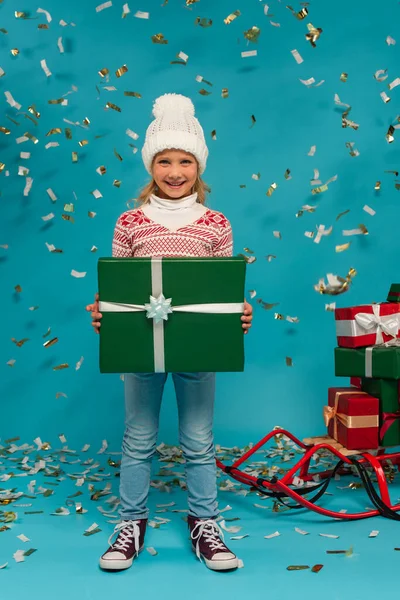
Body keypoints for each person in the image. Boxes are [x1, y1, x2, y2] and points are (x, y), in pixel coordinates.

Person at [86, 93, 253, 572]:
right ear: (151, 165)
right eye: (164, 160)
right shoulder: (130, 221)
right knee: (138, 436)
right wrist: (104, 312)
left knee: (198, 439)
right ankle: (130, 523)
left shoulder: (215, 223)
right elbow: (119, 287)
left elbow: (223, 289)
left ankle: (205, 523)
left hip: (197, 348)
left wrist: (241, 311)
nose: (175, 171)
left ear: (198, 167)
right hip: (142, 347)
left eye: (185, 161)